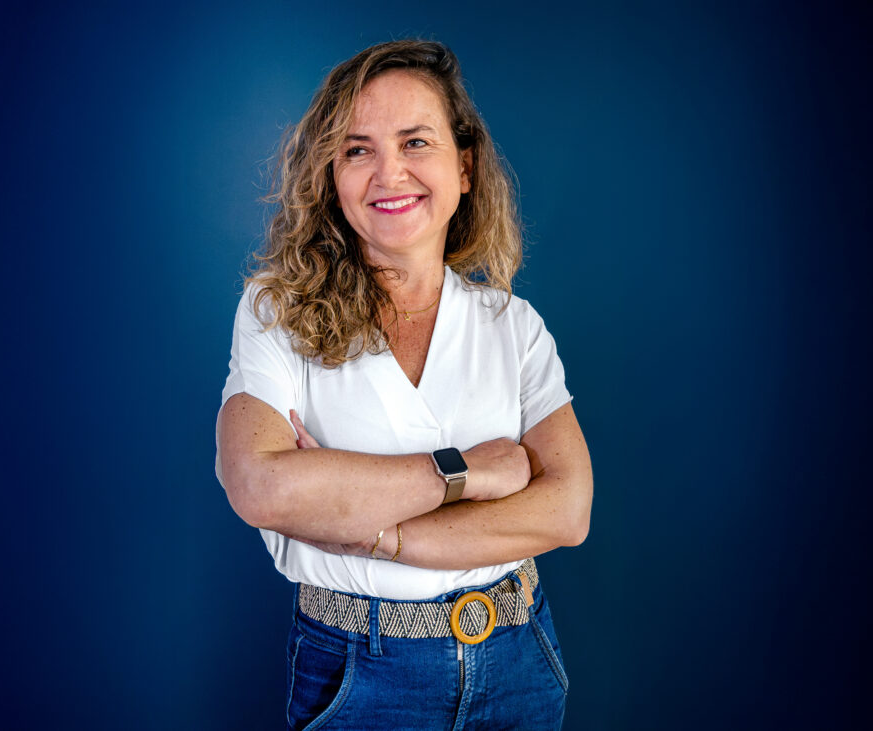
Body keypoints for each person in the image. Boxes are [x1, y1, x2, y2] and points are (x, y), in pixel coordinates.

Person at [215, 39, 593, 730]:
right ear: (331, 176)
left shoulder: (513, 326)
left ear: (465, 167)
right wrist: (472, 470)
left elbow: (567, 511)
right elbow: (260, 486)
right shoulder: (277, 312)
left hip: (520, 659)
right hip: (361, 670)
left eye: (415, 141)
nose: (389, 172)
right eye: (357, 149)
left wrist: (377, 533)